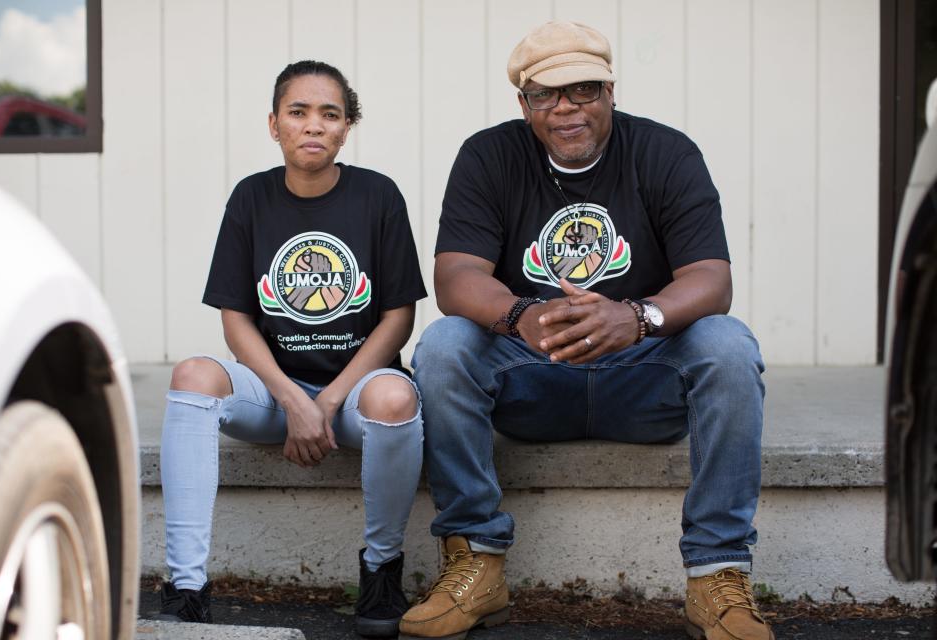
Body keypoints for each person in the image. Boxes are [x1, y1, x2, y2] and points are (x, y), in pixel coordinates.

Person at [398, 21, 772, 640]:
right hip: (532, 377)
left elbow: (711, 278)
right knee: (443, 347)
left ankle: (717, 575)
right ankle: (476, 563)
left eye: (584, 90)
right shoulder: (489, 156)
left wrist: (637, 316)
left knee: (727, 345)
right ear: (523, 104)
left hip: (643, 376)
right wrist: (523, 317)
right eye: (547, 94)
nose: (567, 108)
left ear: (610, 92)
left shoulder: (664, 151)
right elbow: (456, 276)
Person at [156, 60, 427, 638]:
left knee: (395, 399)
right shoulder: (251, 198)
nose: (313, 125)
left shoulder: (378, 196)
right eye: (298, 112)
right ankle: (186, 587)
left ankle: (381, 569)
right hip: (274, 398)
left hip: (352, 396)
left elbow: (398, 318)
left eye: (330, 114)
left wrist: (325, 402)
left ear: (347, 127)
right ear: (274, 124)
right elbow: (236, 318)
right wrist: (292, 400)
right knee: (192, 376)